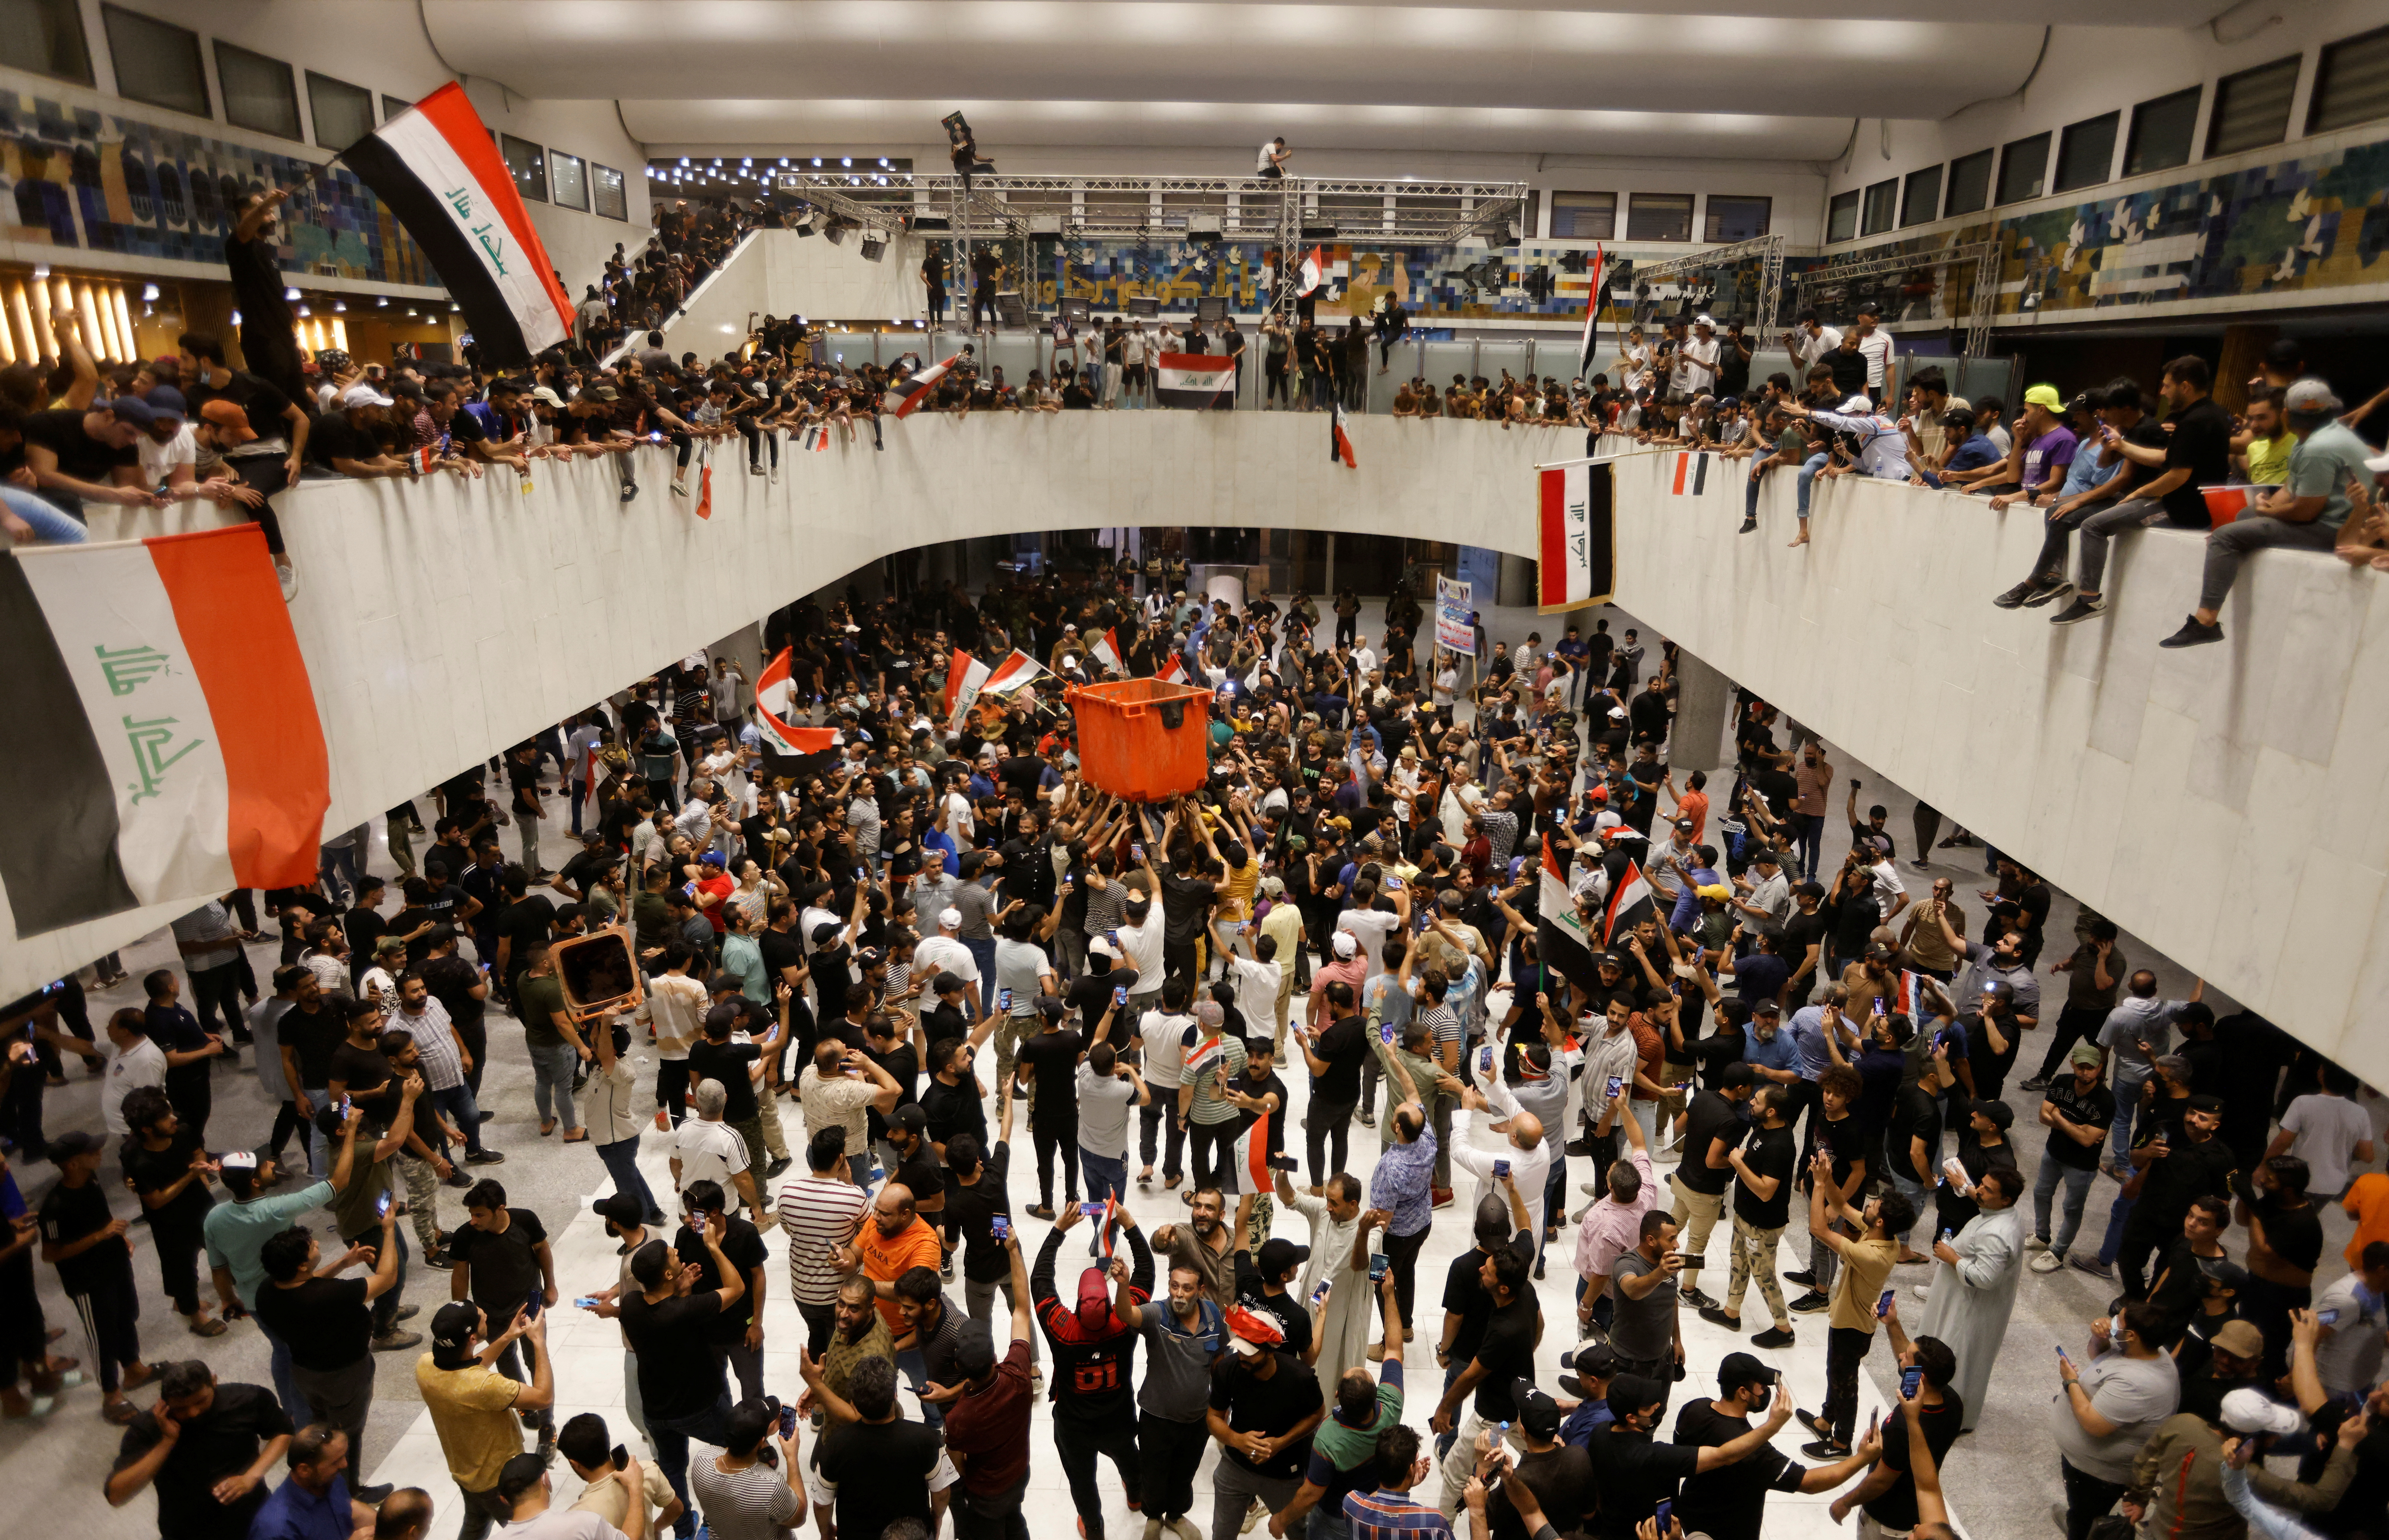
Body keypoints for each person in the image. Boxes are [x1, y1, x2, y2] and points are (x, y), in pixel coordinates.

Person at [2159, 376, 2377, 648]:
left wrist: (2270, 512)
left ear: (2285, 414)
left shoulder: (2318, 448)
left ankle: (2206, 622)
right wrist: (2268, 507)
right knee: (2245, 517)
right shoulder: (2318, 435)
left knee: (2225, 537)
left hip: (2336, 530)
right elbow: (2291, 487)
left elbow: (2305, 513)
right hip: (2328, 518)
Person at [253, 1202, 406, 1496]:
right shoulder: (333, 1296)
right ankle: (349, 1493)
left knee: (322, 1422)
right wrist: (387, 1231)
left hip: (305, 1372)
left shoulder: (268, 1291)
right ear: (300, 1264)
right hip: (345, 1375)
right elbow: (387, 1279)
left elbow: (306, 1284)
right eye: (312, 1246)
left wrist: (342, 1264)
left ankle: (325, 1477)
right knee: (347, 1434)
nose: (318, 1243)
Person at [619, 1219, 745, 1539]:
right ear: (666, 1274)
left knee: (673, 1469)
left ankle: (684, 1532)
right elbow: (737, 1289)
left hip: (657, 1411)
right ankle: (735, 1515)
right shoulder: (686, 1310)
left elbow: (664, 1308)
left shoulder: (632, 1305)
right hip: (699, 1406)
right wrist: (713, 1247)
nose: (677, 1252)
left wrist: (681, 1288)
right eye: (672, 1256)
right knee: (738, 1449)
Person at [1672, 1353, 1882, 1540]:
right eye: (1762, 1387)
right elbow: (1810, 1482)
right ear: (1743, 1393)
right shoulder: (1756, 1453)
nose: (1766, 1391)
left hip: (1692, 1515)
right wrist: (1862, 1458)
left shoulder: (1694, 1409)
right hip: (1729, 1532)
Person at [1035, 1201, 1153, 1536]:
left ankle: (1093, 1526)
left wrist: (1059, 1230)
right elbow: (1146, 1271)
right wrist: (1128, 1224)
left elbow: (1041, 1279)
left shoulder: (1062, 1331)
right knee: (1130, 1459)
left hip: (1075, 1427)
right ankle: (1135, 1496)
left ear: (1075, 1305)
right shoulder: (1125, 1322)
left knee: (1082, 1479)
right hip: (1117, 1417)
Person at [1795, 1150, 1912, 1459]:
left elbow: (1819, 1230)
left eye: (1873, 1205)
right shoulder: (1881, 1232)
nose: (1868, 1205)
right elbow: (1843, 1206)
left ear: (1881, 1219)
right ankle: (1824, 1421)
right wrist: (1828, 1178)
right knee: (1837, 1374)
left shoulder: (1874, 1254)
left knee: (1845, 1384)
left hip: (1853, 1327)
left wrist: (1818, 1185)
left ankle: (1841, 1443)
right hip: (1847, 1319)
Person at [1583, 1372, 1793, 1540]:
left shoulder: (1601, 1432)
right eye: (1648, 1407)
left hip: (1611, 1528)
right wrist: (1773, 1425)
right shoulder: (1655, 1456)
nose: (1657, 1406)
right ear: (1631, 1417)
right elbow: (1723, 1456)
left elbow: (1597, 1489)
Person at [103, 1360, 294, 1540]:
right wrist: (166, 1442)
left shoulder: (247, 1399)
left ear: (214, 1382)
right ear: (164, 1402)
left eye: (200, 1402)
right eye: (181, 1408)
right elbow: (116, 1495)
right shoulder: (147, 1429)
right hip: (188, 1531)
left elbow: (283, 1433)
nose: (193, 1413)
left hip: (254, 1518)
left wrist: (251, 1477)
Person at [39, 1127, 155, 1422]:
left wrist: (118, 1238)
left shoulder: (91, 1182)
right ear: (73, 1164)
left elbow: (103, 1220)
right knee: (102, 1336)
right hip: (88, 1282)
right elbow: (50, 1253)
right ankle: (111, 1395)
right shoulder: (54, 1207)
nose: (99, 1153)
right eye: (92, 1151)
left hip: (116, 1266)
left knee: (126, 1317)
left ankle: (134, 1369)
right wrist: (101, 1237)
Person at [417, 1301, 557, 1540]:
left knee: (475, 1524)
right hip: (500, 1480)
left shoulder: (425, 1365)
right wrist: (539, 1342)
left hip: (466, 1472)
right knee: (531, 1533)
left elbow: (468, 1366)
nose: (486, 1314)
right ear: (472, 1338)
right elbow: (544, 1397)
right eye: (482, 1318)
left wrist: (507, 1337)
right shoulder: (485, 1387)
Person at [935, 1231, 1039, 1540]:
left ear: (959, 1367)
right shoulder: (1019, 1375)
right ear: (994, 1358)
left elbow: (958, 1468)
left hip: (985, 1494)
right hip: (1019, 1475)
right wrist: (1013, 1252)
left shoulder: (959, 1418)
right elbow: (1021, 1308)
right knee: (1015, 1519)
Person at [2050, 1301, 2181, 1540]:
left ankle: (2078, 1528)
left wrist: (2071, 1381)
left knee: (2087, 1516)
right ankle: (2077, 1518)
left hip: (2097, 1475)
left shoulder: (2139, 1384)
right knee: (2081, 1509)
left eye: (2118, 1321)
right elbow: (2102, 1359)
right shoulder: (2146, 1350)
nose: (2111, 1321)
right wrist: (2100, 1338)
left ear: (2131, 1335)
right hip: (2089, 1465)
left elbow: (2093, 1424)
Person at [1828, 1309, 1962, 1540]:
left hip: (1885, 1520)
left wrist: (1845, 1501)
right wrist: (1892, 1324)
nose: (1901, 1355)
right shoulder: (1952, 1401)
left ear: (1920, 1378)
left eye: (1907, 1356)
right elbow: (1926, 1486)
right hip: (1913, 1506)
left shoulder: (1902, 1427)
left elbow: (1881, 1481)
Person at [1913, 1164, 2025, 1434]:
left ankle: (1947, 1415)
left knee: (1957, 1358)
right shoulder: (2002, 1213)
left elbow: (1985, 1278)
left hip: (1970, 1308)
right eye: (1982, 1184)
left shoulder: (1997, 1234)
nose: (1979, 1191)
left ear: (2006, 1200)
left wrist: (1953, 1258)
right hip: (1960, 1300)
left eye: (1987, 1189)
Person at [1208, 1305, 1326, 1540]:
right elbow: (1213, 1417)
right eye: (1241, 1348)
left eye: (1251, 1352)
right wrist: (1237, 1440)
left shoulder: (1300, 1377)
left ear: (1270, 1351)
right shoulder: (1227, 1370)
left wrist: (1280, 1443)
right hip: (1237, 1464)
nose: (1242, 1357)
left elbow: (1317, 1414)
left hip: (1284, 1473)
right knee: (1221, 1533)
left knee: (1298, 1533)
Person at [804, 1355, 950, 1539]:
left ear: (854, 1404)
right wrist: (936, 1519)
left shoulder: (836, 1445)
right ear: (895, 1397)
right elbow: (942, 1493)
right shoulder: (925, 1439)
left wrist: (826, 1532)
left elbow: (821, 1503)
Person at [1699, 1083, 1799, 1349]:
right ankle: (1731, 1313)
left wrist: (1738, 1162)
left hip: (1763, 1224)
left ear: (1771, 1111)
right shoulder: (1763, 1128)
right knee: (1739, 1264)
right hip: (1745, 1215)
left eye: (1757, 1101)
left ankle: (1784, 1329)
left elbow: (1767, 1192)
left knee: (1764, 1277)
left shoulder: (1780, 1145)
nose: (1751, 1102)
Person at [2031, 1042, 2117, 1272]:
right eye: (2081, 1067)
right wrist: (2078, 1128)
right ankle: (2042, 1236)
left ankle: (2058, 1252)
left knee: (2072, 1208)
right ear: (2073, 1064)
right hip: (2054, 1151)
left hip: (2081, 1165)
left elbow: (2087, 1141)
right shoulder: (2061, 1082)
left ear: (2100, 1068)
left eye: (2091, 1067)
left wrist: (2058, 1117)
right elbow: (2043, 1116)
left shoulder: (2106, 1100)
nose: (2085, 1072)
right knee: (2041, 1192)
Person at [685, 1399, 800, 1540]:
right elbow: (798, 1519)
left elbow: (741, 1443)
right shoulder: (771, 1486)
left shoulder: (702, 1459)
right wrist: (792, 1457)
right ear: (761, 1442)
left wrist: (760, 1435)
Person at [247, 1424, 380, 1540]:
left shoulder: (328, 1479)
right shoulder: (276, 1529)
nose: (345, 1464)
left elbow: (347, 1508)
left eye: (344, 1456)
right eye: (336, 1462)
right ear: (305, 1470)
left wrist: (388, 1524)